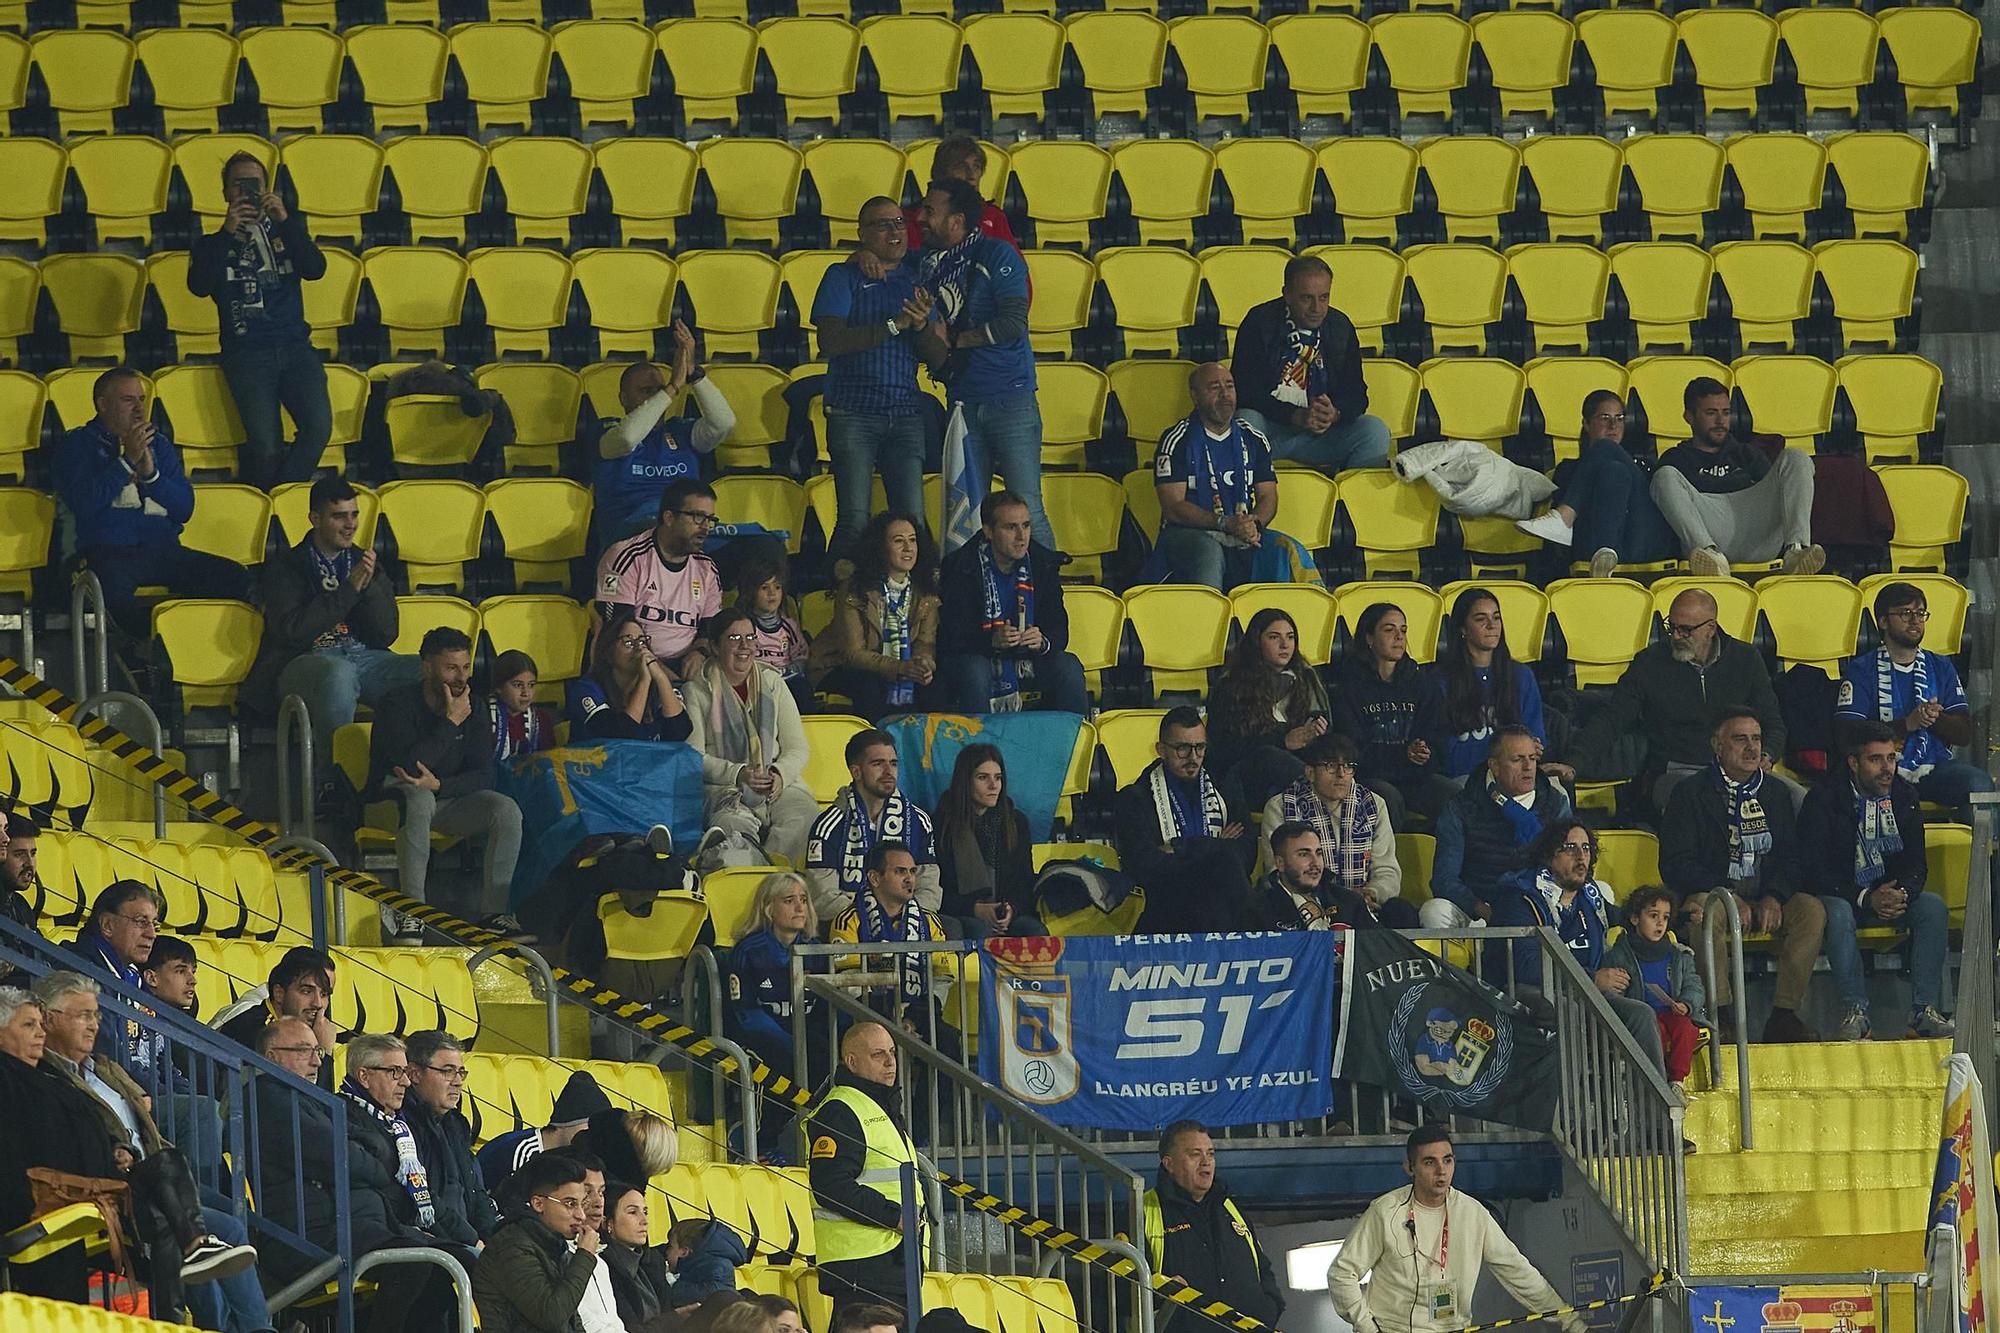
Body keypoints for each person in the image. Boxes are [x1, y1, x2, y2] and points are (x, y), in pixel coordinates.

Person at [31, 973, 264, 1325]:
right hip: (116, 1184)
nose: (94, 1025)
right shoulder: (46, 1076)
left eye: (96, 1015)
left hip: (157, 1175)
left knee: (233, 1224)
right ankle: (223, 1324)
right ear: (48, 1019)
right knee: (196, 1229)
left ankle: (256, 1328)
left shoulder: (106, 1068)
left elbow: (147, 1124)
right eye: (82, 1015)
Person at [1659, 708, 1824, 1045]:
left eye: (1756, 739)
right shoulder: (1689, 793)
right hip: (1713, 893)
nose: (1751, 748)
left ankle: (1784, 1016)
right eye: (1740, 739)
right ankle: (1722, 1017)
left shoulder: (1777, 793)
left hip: (1764, 895)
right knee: (1707, 911)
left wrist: (1775, 896)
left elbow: (1793, 857)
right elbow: (1676, 863)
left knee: (1811, 910)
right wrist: (1727, 893)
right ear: (1717, 745)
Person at [910, 176, 1053, 548]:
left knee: (1025, 506)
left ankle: (1048, 593)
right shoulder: (924, 264)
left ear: (956, 221)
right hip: (961, 402)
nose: (919, 217)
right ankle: (973, 597)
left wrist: (956, 339)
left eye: (929, 210)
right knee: (967, 512)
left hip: (1010, 398)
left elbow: (1012, 322)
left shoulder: (997, 254)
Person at [1330, 1127, 1585, 1333]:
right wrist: (1366, 1327)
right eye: (1430, 1162)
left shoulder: (1473, 1213)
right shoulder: (1384, 1212)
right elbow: (1342, 1274)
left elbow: (1518, 1272)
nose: (1441, 1170)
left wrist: (1573, 1324)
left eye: (1447, 1160)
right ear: (1409, 1167)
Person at [54, 366, 249, 630]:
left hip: (163, 550)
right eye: (128, 400)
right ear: (102, 404)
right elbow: (84, 503)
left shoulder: (160, 445)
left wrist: (151, 476)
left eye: (142, 399)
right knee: (110, 589)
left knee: (235, 577)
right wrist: (125, 463)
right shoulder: (77, 445)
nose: (139, 408)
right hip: (107, 553)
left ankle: (181, 639)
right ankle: (142, 650)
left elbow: (184, 510)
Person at [1574, 588, 1800, 814]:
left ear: (1710, 628)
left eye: (1685, 630)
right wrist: (1574, 762)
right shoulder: (1649, 663)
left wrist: (1766, 754)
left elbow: (1773, 722)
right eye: (1671, 627)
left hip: (1740, 768)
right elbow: (1612, 719)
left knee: (1798, 800)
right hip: (1675, 771)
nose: (1675, 636)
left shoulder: (1746, 659)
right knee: (1708, 802)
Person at [367, 624, 526, 943]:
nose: (461, 677)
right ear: (427, 667)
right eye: (451, 668)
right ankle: (411, 910)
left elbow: (484, 775)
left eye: (465, 667)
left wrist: (440, 786)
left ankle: (494, 914)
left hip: (446, 800)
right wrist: (450, 721)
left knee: (505, 809)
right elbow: (407, 768)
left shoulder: (476, 706)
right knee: (418, 797)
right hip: (388, 801)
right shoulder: (396, 704)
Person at [244, 474, 418, 765]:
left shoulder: (366, 563)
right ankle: (335, 776)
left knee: (428, 670)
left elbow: (386, 634)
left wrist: (370, 585)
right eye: (339, 516)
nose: (350, 525)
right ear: (315, 518)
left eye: (354, 515)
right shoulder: (286, 567)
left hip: (363, 657)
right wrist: (348, 590)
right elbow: (293, 632)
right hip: (303, 661)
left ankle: (411, 770)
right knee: (339, 674)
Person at [1799, 722, 1954, 1041]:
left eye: (1891, 758)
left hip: (1888, 896)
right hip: (1842, 895)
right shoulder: (1823, 799)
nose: (1887, 769)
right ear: (1853, 763)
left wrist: (1903, 893)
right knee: (1838, 913)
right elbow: (1814, 870)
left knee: (1933, 907)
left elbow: (1916, 864)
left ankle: (1923, 1011)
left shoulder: (1905, 795)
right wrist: (1866, 897)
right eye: (1876, 760)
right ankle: (1857, 1012)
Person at [186, 150, 330, 490]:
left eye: (255, 185)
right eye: (239, 185)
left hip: (296, 347)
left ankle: (280, 498)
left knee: (319, 428)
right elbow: (200, 285)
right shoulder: (211, 244)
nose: (247, 192)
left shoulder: (288, 231)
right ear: (226, 193)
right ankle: (271, 508)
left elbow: (315, 269)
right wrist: (228, 231)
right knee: (265, 447)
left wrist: (285, 220)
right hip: (247, 353)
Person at [1488, 821, 1666, 1073]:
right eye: (1570, 848)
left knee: (1640, 1015)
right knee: (1568, 1010)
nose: (1581, 856)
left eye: (1586, 848)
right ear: (1549, 854)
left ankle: (1652, 1108)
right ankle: (1574, 1106)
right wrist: (1591, 979)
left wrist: (1680, 917)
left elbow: (1629, 916)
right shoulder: (1521, 897)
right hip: (1526, 990)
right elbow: (1526, 966)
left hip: (1581, 989)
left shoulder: (1588, 896)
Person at [815, 196, 934, 562]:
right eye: (882, 225)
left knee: (912, 521)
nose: (894, 230)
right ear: (862, 234)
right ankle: (845, 603)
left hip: (905, 413)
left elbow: (936, 355)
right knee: (853, 518)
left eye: (898, 222)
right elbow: (830, 341)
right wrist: (893, 325)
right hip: (854, 411)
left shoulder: (918, 277)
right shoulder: (841, 276)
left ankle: (920, 609)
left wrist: (922, 326)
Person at [339, 1033, 483, 1332]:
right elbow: (382, 1183)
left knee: (457, 1266)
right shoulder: (346, 1116)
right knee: (442, 1263)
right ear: (364, 1076)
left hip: (403, 1227)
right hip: (370, 1229)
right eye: (395, 1072)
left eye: (404, 1073)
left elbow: (456, 1193)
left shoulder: (396, 1125)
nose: (404, 1082)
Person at [1836, 581, 1993, 817]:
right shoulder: (1861, 670)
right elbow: (1846, 735)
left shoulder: (1941, 665)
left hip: (1934, 768)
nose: (1915, 620)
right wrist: (1906, 724)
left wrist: (1935, 718)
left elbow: (1964, 733)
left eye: (1920, 613)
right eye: (1905, 613)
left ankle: (1980, 853)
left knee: (1979, 784)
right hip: (1881, 769)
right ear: (1883, 621)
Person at [808, 1020, 928, 1321]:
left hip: (892, 1261)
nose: (890, 1062)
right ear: (852, 1061)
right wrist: (894, 1215)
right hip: (863, 1264)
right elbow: (830, 1185)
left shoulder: (879, 1107)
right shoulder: (841, 1110)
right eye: (878, 1055)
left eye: (892, 1052)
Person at [680, 607, 818, 869]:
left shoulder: (773, 682)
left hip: (776, 785)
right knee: (732, 825)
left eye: (751, 637)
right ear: (715, 646)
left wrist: (779, 774)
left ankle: (774, 880)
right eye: (733, 638)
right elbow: (693, 758)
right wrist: (739, 773)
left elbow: (797, 748)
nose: (745, 646)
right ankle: (756, 885)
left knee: (806, 815)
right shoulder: (696, 690)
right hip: (727, 788)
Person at [1229, 254, 1392, 474]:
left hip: (1320, 435)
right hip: (1271, 430)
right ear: (1287, 294)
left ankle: (1355, 504)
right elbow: (1244, 390)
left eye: (1324, 297)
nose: (1317, 308)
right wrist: (1294, 415)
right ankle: (1247, 501)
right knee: (1246, 420)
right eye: (1307, 298)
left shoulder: (1340, 326)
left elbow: (1357, 393)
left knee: (1375, 430)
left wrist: (1335, 413)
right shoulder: (1259, 322)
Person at [1651, 376, 1823, 578]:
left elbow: (1774, 496)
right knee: (1663, 476)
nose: (1720, 421)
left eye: (1726, 413)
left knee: (1797, 456)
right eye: (1710, 413)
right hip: (1709, 532)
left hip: (1757, 532)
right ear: (1689, 416)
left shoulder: (1748, 454)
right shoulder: (1677, 458)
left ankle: (1796, 550)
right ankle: (1710, 557)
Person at [936, 489, 1087, 716]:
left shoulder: (1043, 564)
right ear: (988, 531)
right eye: (1010, 527)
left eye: (1026, 526)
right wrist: (991, 640)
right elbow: (950, 636)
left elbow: (1058, 628)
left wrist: (1042, 640)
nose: (1021, 536)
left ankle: (1075, 743)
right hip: (979, 657)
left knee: (1069, 666)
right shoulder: (960, 567)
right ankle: (977, 745)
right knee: (976, 670)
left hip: (1029, 660)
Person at [1112, 707, 1258, 934]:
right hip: (1167, 905)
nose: (1193, 757)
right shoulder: (1135, 798)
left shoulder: (1224, 786)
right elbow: (1144, 866)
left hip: (1221, 898)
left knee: (1224, 869)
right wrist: (1217, 848)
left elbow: (1247, 852)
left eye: (1200, 748)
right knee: (1223, 864)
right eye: (1182, 748)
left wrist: (1182, 847)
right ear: (1160, 750)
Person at [594, 323, 734, 545]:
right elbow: (628, 437)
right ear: (623, 399)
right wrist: (673, 388)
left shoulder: (681, 431)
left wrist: (693, 374)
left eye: (658, 391)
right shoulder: (606, 433)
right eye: (646, 391)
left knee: (762, 545)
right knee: (668, 528)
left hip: (689, 527)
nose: (656, 398)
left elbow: (723, 423)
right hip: (632, 533)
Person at [1516, 389, 1676, 577]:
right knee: (1614, 470)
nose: (1613, 426)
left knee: (1610, 454)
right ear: (1586, 423)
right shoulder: (1569, 468)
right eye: (1604, 418)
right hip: (1591, 547)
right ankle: (1604, 553)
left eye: (1619, 418)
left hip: (1643, 542)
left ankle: (1564, 517)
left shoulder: (1642, 465)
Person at [725, 872, 830, 1155]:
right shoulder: (749, 951)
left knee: (830, 1055)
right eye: (789, 900)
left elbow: (827, 1009)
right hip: (757, 1038)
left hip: (802, 1038)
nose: (800, 907)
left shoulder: (818, 950)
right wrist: (790, 1044)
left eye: (804, 900)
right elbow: (746, 1014)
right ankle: (758, 1142)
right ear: (769, 909)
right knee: (779, 1060)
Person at [1141, 1122, 1283, 1331]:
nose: (1206, 1162)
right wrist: (1161, 1292)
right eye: (1195, 1154)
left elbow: (1263, 1268)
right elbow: (1121, 1285)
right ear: (1169, 1164)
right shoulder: (1144, 1211)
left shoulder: (1230, 1208)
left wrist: (1269, 1307)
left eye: (1211, 1153)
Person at [1261, 736, 1415, 928]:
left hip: (1364, 905)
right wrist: (1336, 900)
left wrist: (1373, 892)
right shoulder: (1282, 806)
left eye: (1348, 766)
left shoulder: (1373, 805)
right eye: (1331, 766)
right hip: (1306, 907)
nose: (1341, 774)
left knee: (1400, 911)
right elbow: (1277, 871)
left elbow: (1387, 869)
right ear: (1310, 772)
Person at [1152, 362, 1280, 593]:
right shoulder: (1177, 440)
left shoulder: (1254, 439)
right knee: (1208, 550)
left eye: (1229, 386)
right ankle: (1207, 623)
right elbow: (1173, 507)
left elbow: (1268, 496)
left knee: (1287, 548)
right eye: (1214, 388)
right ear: (1195, 396)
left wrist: (1255, 524)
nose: (1225, 395)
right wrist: (1224, 523)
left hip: (1243, 529)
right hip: (1187, 534)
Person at [1427, 728, 1572, 930]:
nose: (1528, 767)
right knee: (1434, 910)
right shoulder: (1461, 807)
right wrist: (1482, 909)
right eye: (1517, 760)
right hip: (1481, 913)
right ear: (1494, 766)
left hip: (1542, 906)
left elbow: (1569, 866)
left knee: (1603, 891)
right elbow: (1444, 879)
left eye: (1532, 758)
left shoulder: (1555, 803)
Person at [1328, 602, 1452, 828]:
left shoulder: (1421, 682)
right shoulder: (1350, 686)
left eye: (1403, 630)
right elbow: (1352, 748)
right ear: (1369, 638)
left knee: (1454, 796)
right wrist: (1403, 753)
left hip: (1415, 775)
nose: (1399, 637)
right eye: (1389, 630)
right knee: (1387, 799)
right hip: (1372, 776)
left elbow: (1437, 732)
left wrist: (1425, 751)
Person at [827, 842, 962, 1046]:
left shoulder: (929, 922)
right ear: (875, 878)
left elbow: (942, 977)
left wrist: (913, 1018)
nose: (910, 879)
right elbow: (847, 979)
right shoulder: (848, 920)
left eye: (913, 871)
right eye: (900, 871)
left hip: (919, 1015)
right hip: (864, 1017)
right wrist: (888, 1022)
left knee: (948, 1041)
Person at [809, 511, 941, 719]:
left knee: (936, 684)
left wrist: (923, 664)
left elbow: (925, 642)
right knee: (871, 686)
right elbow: (853, 654)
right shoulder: (855, 587)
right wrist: (900, 667)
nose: (908, 548)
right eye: (899, 541)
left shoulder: (924, 589)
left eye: (913, 540)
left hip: (899, 667)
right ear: (880, 548)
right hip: (837, 666)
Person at [804, 728, 942, 923]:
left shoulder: (918, 821)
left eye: (893, 764)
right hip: (849, 924)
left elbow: (928, 886)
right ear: (856, 771)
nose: (888, 772)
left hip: (908, 922)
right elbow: (823, 897)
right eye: (878, 764)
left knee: (955, 928)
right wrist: (872, 921)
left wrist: (903, 919)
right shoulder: (829, 825)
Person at [1209, 607, 1333, 809]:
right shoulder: (1231, 686)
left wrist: (1315, 732)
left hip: (1296, 773)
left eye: (1290, 637)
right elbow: (1226, 748)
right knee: (1269, 756)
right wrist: (1283, 740)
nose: (1285, 645)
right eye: (1274, 637)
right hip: (1246, 780)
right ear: (1256, 642)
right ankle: (1327, 800)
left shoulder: (1307, 678)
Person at [596, 477, 724, 673]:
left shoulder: (706, 569)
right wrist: (662, 675)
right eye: (698, 517)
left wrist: (699, 652)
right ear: (669, 517)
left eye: (710, 519)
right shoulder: (626, 557)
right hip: (632, 667)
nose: (705, 527)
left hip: (686, 666)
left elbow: (710, 629)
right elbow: (619, 630)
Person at [1434, 588, 1559, 787]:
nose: (1491, 625)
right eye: (1480, 619)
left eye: (1496, 617)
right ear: (1463, 629)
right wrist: (1510, 752)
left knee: (1556, 790)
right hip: (1467, 778)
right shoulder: (1441, 681)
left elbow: (1535, 742)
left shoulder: (1521, 676)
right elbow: (1449, 757)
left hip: (1516, 776)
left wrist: (1527, 750)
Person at [473, 1152, 603, 1333]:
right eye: (570, 1204)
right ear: (538, 1204)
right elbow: (552, 1316)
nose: (581, 1215)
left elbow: (571, 1321)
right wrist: (585, 1256)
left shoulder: (552, 1244)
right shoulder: (511, 1247)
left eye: (582, 1204)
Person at [934, 743, 1048, 939]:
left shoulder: (1016, 822)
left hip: (1008, 916)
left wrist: (1011, 910)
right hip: (963, 914)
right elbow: (936, 890)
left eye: (998, 778)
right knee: (980, 931)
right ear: (965, 781)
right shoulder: (941, 824)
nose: (993, 785)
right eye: (983, 778)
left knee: (1034, 931)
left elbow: (1024, 882)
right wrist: (975, 909)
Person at [1600, 887, 1709, 1089]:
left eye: (1665, 917)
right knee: (1651, 1030)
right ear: (1634, 919)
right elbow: (1614, 996)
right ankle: (1654, 1083)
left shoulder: (1679, 955)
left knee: (1686, 1028)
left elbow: (1694, 986)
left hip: (1672, 1014)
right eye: (1653, 916)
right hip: (1644, 1020)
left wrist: (1686, 1004)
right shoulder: (1619, 955)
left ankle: (1677, 1082)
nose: (1660, 923)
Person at [402, 1030, 499, 1248]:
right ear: (414, 1074)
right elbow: (423, 1197)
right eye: (447, 1071)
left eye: (461, 1073)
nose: (457, 1082)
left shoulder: (457, 1125)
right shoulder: (403, 1124)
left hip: (467, 1241)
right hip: (433, 1244)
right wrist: (473, 1241)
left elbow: (476, 1193)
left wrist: (491, 1240)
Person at [570, 612, 694, 744]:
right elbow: (621, 737)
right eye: (628, 642)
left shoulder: (660, 688)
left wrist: (661, 678)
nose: (639, 649)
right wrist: (644, 681)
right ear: (608, 652)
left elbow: (680, 732)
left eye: (642, 641)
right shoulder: (587, 688)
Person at [213, 945, 337, 1076]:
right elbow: (307, 1096)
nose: (318, 1003)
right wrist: (323, 1052)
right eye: (306, 991)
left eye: (324, 994)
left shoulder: (301, 1029)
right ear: (279, 993)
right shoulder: (254, 1032)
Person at [475, 1070, 613, 1186]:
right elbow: (516, 1205)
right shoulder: (522, 1150)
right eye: (589, 1128)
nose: (593, 1137)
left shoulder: (577, 1156)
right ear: (566, 1123)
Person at [900, 136, 1017, 250]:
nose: (972, 175)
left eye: (976, 166)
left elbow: (1014, 266)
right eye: (962, 166)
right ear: (941, 172)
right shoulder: (915, 217)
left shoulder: (993, 216)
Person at [734, 552, 812, 711]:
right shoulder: (744, 626)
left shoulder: (789, 626)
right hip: (756, 680)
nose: (772, 593)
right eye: (764, 588)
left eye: (777, 587)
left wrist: (792, 669)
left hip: (786, 680)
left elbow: (801, 655)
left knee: (802, 690)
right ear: (751, 591)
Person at [601, 1180, 679, 1333]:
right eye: (632, 1212)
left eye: (645, 1212)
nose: (644, 1221)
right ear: (608, 1223)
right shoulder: (605, 1267)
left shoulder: (653, 1262)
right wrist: (676, 1317)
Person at [663, 1216, 750, 1307]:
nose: (666, 1252)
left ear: (684, 1251)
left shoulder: (715, 1267)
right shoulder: (705, 1263)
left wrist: (672, 1284)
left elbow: (711, 1295)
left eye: (670, 1247)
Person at [490, 649, 558, 763]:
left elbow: (549, 764)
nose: (526, 692)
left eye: (531, 685)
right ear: (499, 686)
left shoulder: (541, 719)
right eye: (517, 685)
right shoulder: (483, 716)